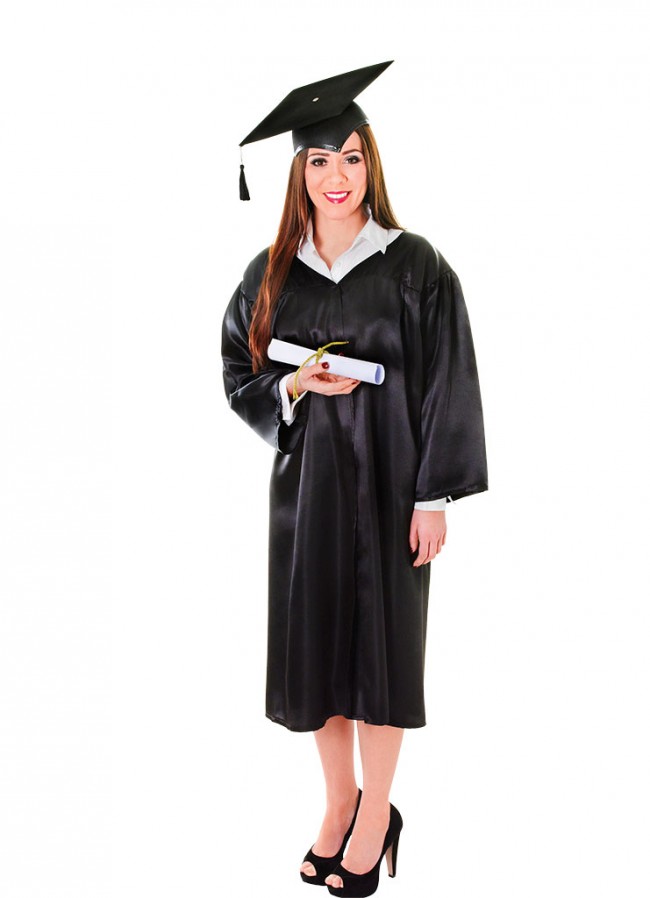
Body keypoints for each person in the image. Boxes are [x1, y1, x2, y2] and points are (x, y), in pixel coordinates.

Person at [221, 61, 488, 898]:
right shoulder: (272, 271)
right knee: (318, 661)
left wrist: (434, 495)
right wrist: (295, 385)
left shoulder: (415, 267)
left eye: (350, 158)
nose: (335, 177)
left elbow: (451, 378)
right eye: (317, 161)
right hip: (307, 499)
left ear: (371, 165)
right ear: (298, 174)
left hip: (392, 493)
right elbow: (240, 371)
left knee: (381, 659)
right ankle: (338, 804)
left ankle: (378, 817)